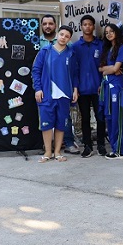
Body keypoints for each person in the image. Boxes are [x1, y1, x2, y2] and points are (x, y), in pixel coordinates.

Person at [32, 25, 79, 163]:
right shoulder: (45, 51)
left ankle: (57, 152)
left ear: (69, 39)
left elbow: (75, 73)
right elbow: (36, 70)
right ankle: (48, 152)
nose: (63, 37)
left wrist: (75, 89)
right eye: (62, 34)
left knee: (61, 124)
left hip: (64, 95)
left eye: (67, 36)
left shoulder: (71, 53)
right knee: (46, 124)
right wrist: (38, 88)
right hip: (47, 94)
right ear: (57, 34)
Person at [72, 15, 107, 158]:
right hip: (82, 89)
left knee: (100, 118)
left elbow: (105, 65)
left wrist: (103, 83)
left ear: (94, 26)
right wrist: (76, 87)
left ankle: (101, 145)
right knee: (85, 118)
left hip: (98, 88)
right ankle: (87, 146)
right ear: (81, 27)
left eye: (90, 24)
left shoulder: (100, 45)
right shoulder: (75, 47)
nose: (87, 27)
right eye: (85, 24)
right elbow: (73, 69)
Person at [98, 23, 123, 159]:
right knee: (109, 118)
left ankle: (121, 150)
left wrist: (109, 69)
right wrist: (109, 69)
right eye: (106, 32)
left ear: (117, 32)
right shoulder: (106, 49)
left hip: (117, 88)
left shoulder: (122, 49)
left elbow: (116, 69)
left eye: (111, 31)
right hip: (106, 87)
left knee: (118, 118)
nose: (109, 34)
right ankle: (113, 148)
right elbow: (100, 69)